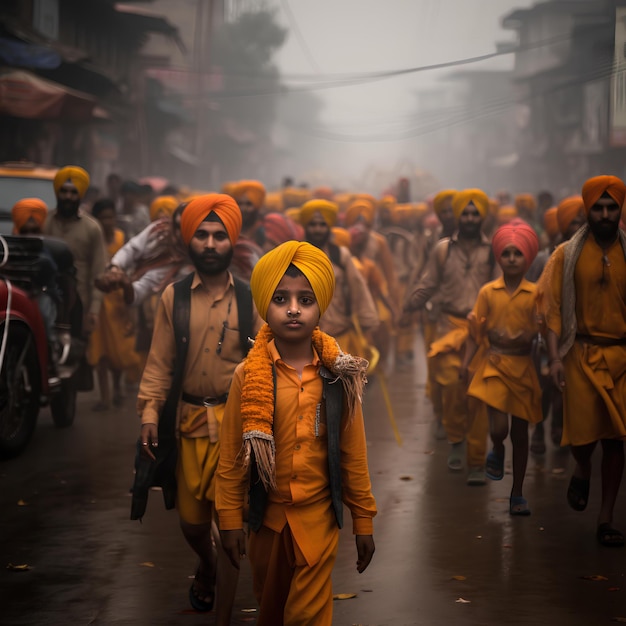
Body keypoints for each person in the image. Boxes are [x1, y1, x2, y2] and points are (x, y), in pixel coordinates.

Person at [216, 241, 377, 626]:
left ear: (320, 306)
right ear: (264, 306)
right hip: (266, 521)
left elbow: (353, 455)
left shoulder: (339, 377)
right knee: (270, 612)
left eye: (305, 299)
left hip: (318, 520)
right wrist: (229, 520)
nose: (292, 309)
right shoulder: (247, 376)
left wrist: (364, 522)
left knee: (305, 617)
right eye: (281, 299)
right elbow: (230, 457)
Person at [137, 193, 262, 622]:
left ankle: (223, 614)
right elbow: (159, 363)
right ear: (190, 241)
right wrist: (150, 413)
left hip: (237, 429)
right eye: (203, 235)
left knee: (231, 527)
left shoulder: (251, 300)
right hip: (188, 425)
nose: (210, 244)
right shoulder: (174, 298)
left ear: (233, 242)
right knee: (192, 524)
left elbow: (267, 364)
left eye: (219, 236)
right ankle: (205, 567)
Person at [542, 175, 626, 547]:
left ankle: (606, 517)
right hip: (578, 353)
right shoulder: (565, 254)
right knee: (582, 436)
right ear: (588, 210)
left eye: (612, 208)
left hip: (621, 357)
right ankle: (581, 466)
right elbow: (551, 310)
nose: (605, 214)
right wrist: (554, 357)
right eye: (598, 208)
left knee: (616, 439)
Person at [404, 189, 495, 485]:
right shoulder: (443, 249)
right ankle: (457, 441)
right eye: (465, 213)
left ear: (482, 216)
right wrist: (408, 306)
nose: (469, 218)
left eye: (474, 213)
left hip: (480, 331)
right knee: (450, 388)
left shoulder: (493, 249)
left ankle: (478, 461)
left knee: (478, 396)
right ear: (457, 216)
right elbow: (428, 284)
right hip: (447, 326)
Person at [461, 220, 542, 515]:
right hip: (494, 364)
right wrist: (466, 362)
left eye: (517, 254)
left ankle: (517, 493)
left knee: (521, 435)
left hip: (523, 366)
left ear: (527, 258)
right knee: (499, 428)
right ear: (499, 257)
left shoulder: (536, 294)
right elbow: (474, 331)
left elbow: (547, 330)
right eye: (506, 253)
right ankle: (496, 447)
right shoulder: (487, 292)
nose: (511, 259)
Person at [300, 199, 379, 356]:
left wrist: (367, 322)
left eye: (322, 225)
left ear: (329, 227)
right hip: (304, 339)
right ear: (305, 227)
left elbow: (358, 289)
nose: (317, 229)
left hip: (339, 335)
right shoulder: (295, 255)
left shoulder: (341, 255)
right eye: (313, 225)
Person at [87, 198, 141, 411]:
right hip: (98, 301)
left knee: (118, 349)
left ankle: (117, 387)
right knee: (100, 349)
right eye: (103, 218)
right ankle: (105, 397)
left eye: (110, 217)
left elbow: (131, 269)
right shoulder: (94, 241)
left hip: (118, 300)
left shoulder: (121, 238)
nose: (107, 221)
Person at [43, 166, 107, 337]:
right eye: (63, 191)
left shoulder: (92, 228)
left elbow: (99, 272)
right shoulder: (44, 222)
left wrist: (93, 310)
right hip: (46, 297)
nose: (68, 197)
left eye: (73, 192)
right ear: (57, 192)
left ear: (81, 194)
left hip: (79, 303)